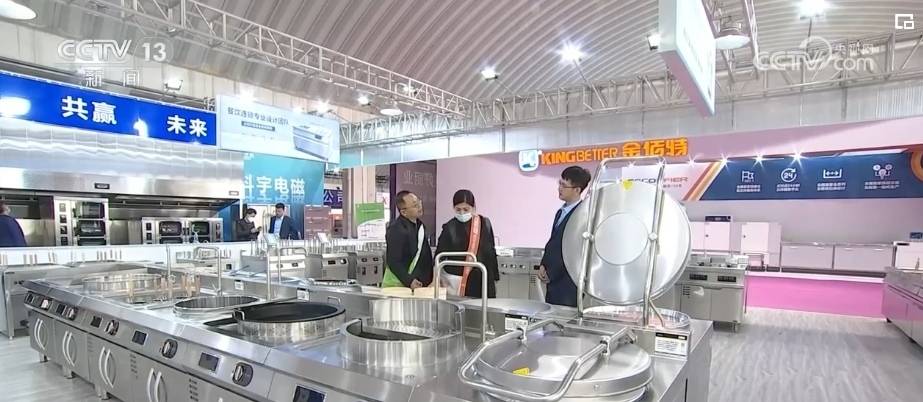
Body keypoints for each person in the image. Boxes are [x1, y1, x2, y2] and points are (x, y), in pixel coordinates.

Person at [538, 166, 592, 307]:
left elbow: (574, 252)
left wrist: (552, 273)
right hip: (553, 282)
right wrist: (543, 264)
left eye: (564, 185)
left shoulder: (581, 216)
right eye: (559, 183)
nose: (559, 188)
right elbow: (554, 243)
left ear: (577, 190)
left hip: (568, 283)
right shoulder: (560, 212)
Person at [434, 190, 500, 298]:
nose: (462, 213)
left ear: (473, 207)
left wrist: (495, 278)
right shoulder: (449, 227)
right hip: (457, 280)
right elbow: (439, 255)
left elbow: (491, 251)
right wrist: (436, 278)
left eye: (466, 209)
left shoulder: (484, 223)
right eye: (458, 210)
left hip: (481, 277)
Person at [383, 190, 434, 289]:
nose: (419, 206)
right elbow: (394, 262)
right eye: (415, 205)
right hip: (400, 285)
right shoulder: (396, 229)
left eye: (419, 202)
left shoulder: (420, 226)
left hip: (421, 284)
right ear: (403, 212)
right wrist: (409, 281)